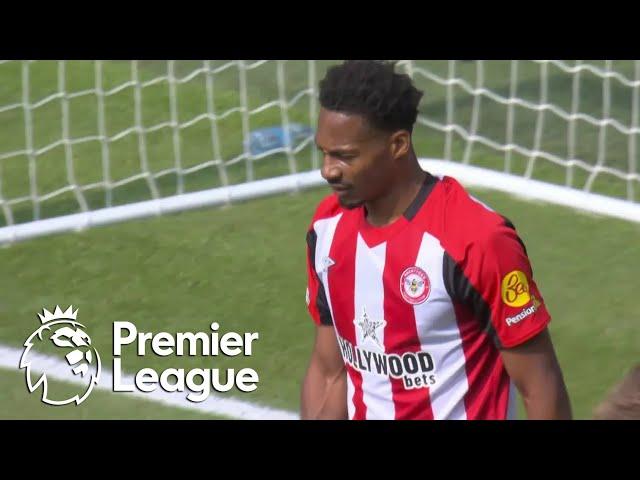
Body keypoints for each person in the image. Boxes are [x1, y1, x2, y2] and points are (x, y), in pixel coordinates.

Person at [300, 60, 572, 420]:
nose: (328, 170)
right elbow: (330, 371)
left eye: (345, 156)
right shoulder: (328, 227)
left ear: (398, 144)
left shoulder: (476, 240)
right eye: (324, 152)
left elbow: (539, 387)